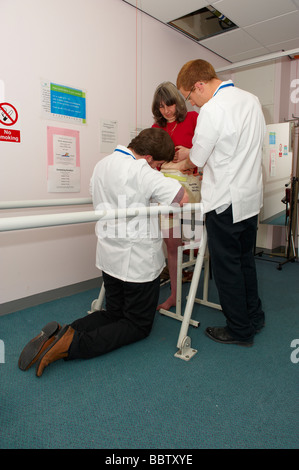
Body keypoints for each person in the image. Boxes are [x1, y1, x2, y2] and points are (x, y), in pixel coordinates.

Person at [18, 128, 188, 377]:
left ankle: (63, 332)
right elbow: (180, 197)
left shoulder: (102, 165)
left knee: (113, 313)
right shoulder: (140, 170)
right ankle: (72, 345)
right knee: (137, 324)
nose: (158, 170)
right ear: (149, 158)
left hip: (110, 257)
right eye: (158, 165)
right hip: (137, 262)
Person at [175, 59, 266, 346]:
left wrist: (182, 162)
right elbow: (235, 147)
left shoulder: (213, 108)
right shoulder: (251, 100)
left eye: (190, 97)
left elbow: (198, 158)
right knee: (244, 262)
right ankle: (254, 317)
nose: (193, 104)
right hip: (249, 199)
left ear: (199, 85)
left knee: (227, 269)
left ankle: (240, 330)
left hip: (224, 202)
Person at [151, 81, 199, 310]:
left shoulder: (192, 119)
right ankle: (174, 295)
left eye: (169, 104)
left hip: (190, 188)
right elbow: (152, 162)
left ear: (177, 102)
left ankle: (193, 282)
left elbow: (206, 151)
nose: (166, 111)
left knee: (194, 242)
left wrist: (189, 161)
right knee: (171, 245)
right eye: (161, 107)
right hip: (165, 191)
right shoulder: (156, 128)